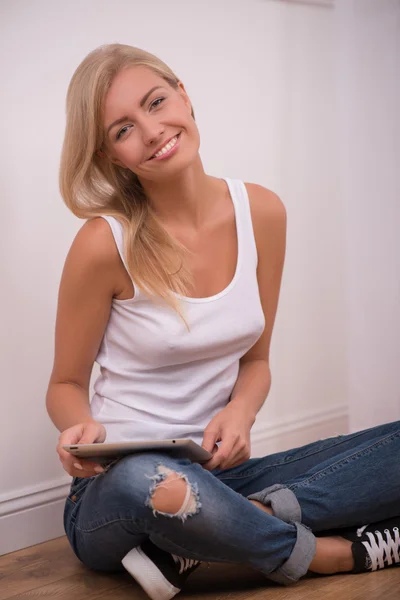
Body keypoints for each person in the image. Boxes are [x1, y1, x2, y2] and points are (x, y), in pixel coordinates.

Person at [46, 43, 400, 600]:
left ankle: (212, 532)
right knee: (151, 480)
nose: (152, 129)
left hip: (218, 477)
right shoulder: (102, 243)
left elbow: (256, 362)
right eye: (122, 129)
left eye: (157, 102)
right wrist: (77, 429)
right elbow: (65, 385)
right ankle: (324, 554)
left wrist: (240, 410)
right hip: (119, 491)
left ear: (184, 96)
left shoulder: (262, 212)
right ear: (112, 155)